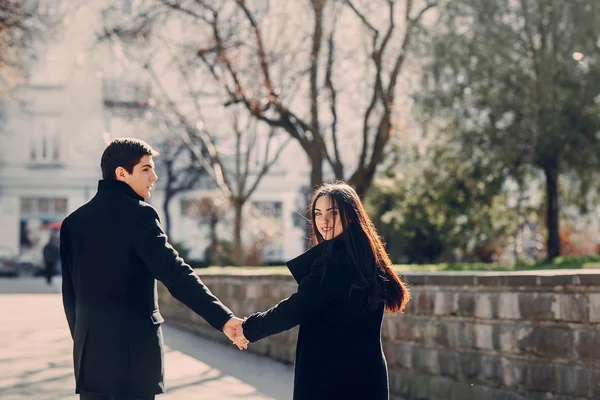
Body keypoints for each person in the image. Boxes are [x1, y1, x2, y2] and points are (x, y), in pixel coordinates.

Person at [60, 138, 248, 400]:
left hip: (90, 360)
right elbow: (175, 274)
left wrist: (83, 343)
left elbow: (70, 296)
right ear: (121, 174)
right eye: (146, 169)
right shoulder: (140, 215)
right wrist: (223, 318)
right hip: (134, 360)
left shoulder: (72, 223)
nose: (154, 176)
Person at [240, 181, 410, 400]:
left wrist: (248, 329)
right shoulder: (365, 257)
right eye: (318, 214)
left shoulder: (335, 263)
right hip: (366, 378)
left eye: (333, 213)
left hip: (334, 382)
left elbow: (295, 308)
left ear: (350, 215)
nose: (324, 221)